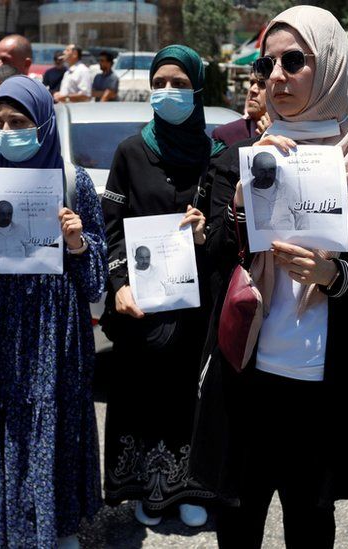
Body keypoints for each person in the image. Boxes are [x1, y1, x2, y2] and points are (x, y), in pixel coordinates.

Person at [189, 7, 348, 547]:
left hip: (322, 385)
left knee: (310, 523)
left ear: (331, 64)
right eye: (268, 64)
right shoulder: (246, 156)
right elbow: (214, 259)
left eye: (295, 61)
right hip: (249, 375)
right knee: (238, 523)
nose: (276, 77)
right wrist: (241, 201)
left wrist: (336, 277)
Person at [0, 75, 107, 548]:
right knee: (0, 420)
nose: (10, 130)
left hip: (54, 332)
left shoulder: (73, 181)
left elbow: (96, 279)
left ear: (44, 124)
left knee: (51, 419)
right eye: (1, 123)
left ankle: (55, 524)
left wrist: (77, 244)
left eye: (21, 121)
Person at [100, 44, 223, 529]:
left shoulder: (218, 156)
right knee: (142, 396)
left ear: (198, 89)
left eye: (179, 84)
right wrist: (119, 284)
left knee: (188, 397)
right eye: (159, 84)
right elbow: (110, 224)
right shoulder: (131, 152)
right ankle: (146, 489)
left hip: (197, 305)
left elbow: (230, 231)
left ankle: (190, 487)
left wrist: (205, 232)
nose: (168, 92)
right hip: (142, 306)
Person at [248, 151, 306, 230]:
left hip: (286, 241)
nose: (267, 175)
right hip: (258, 241)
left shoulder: (286, 190)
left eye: (271, 170)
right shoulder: (246, 194)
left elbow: (302, 215)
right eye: (262, 171)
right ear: (253, 171)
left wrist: (301, 238)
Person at [212, 71, 270, 147]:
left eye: (262, 84)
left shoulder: (289, 134)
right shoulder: (224, 135)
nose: (252, 89)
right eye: (252, 83)